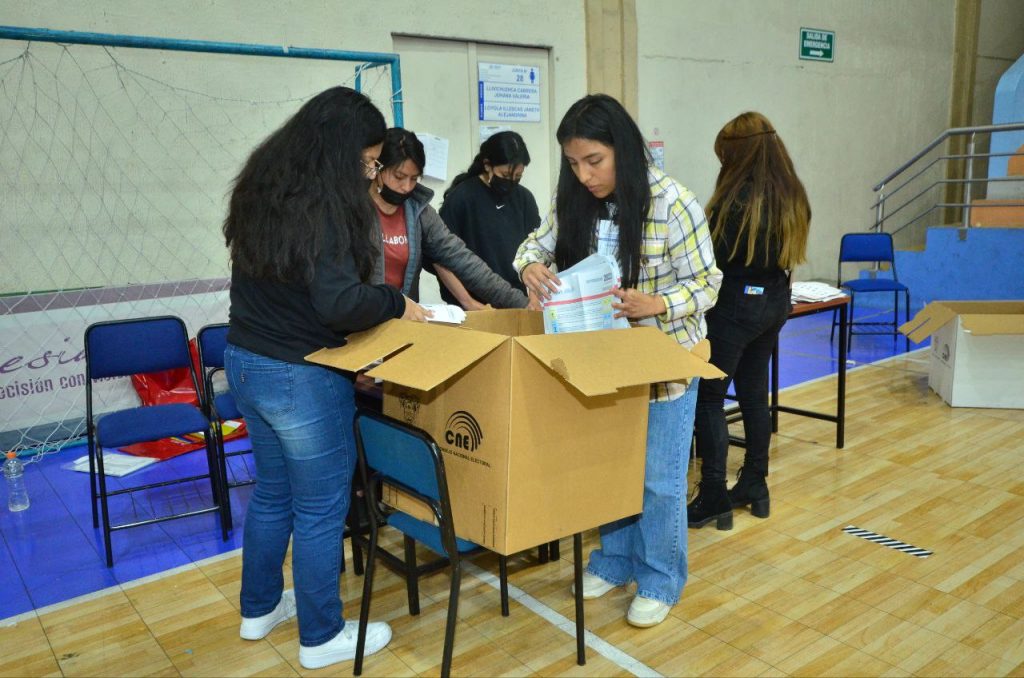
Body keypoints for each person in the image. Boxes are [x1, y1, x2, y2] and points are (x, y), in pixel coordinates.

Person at [222, 87, 429, 670]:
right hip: (299, 374)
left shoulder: (265, 185)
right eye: (367, 161)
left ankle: (259, 609)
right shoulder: (327, 207)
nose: (372, 171)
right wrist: (394, 302)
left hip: (245, 358)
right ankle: (321, 635)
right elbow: (339, 303)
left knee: (272, 494)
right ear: (341, 153)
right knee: (320, 508)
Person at [514, 94, 721, 627]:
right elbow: (533, 246)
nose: (584, 175)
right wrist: (530, 268)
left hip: (666, 364)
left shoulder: (674, 204)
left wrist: (657, 304)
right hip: (602, 366)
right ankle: (614, 560)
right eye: (573, 163)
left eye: (594, 161)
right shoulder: (574, 201)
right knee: (610, 470)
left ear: (622, 152)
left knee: (659, 478)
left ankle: (659, 578)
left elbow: (708, 285)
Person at [687, 111, 811, 530]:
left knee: (709, 398)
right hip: (774, 302)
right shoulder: (792, 193)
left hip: (734, 307)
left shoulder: (733, 201)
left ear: (737, 155)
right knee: (755, 394)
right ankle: (755, 483)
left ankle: (714, 495)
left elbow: (712, 264)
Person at [369, 128, 527, 309]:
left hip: (403, 321)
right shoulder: (354, 210)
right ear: (377, 168)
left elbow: (463, 261)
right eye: (399, 177)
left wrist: (522, 304)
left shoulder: (420, 212)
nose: (406, 187)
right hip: (362, 323)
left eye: (414, 179)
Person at [434, 131, 540, 309]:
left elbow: (536, 252)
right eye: (505, 176)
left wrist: (535, 298)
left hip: (516, 303)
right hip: (473, 307)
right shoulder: (462, 198)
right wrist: (468, 302)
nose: (511, 183)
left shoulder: (524, 199)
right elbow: (438, 258)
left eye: (517, 178)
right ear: (487, 165)